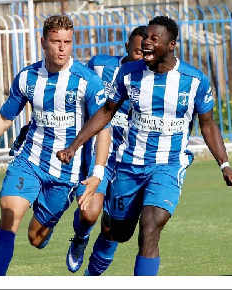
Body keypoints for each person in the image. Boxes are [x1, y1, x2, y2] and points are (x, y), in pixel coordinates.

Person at [57, 16, 232, 276]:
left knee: (151, 227)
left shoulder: (194, 80)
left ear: (171, 45)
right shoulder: (128, 74)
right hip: (130, 165)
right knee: (116, 232)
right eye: (145, 38)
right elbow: (106, 111)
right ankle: (90, 257)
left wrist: (225, 165)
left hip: (168, 165)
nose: (146, 43)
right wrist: (74, 146)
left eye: (154, 39)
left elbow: (208, 124)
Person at [0, 15, 110, 276]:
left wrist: (97, 173)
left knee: (35, 239)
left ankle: (75, 236)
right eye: (56, 41)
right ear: (43, 42)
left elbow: (103, 127)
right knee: (9, 216)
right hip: (30, 160)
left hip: (66, 173)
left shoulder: (86, 81)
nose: (62, 48)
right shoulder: (27, 77)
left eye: (67, 42)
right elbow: (5, 118)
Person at [66, 25, 146, 276]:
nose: (142, 58)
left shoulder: (158, 82)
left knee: (114, 230)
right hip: (100, 156)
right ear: (125, 49)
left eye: (146, 52)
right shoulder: (100, 66)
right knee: (89, 214)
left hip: (131, 162)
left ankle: (92, 277)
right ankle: (80, 236)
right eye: (136, 52)